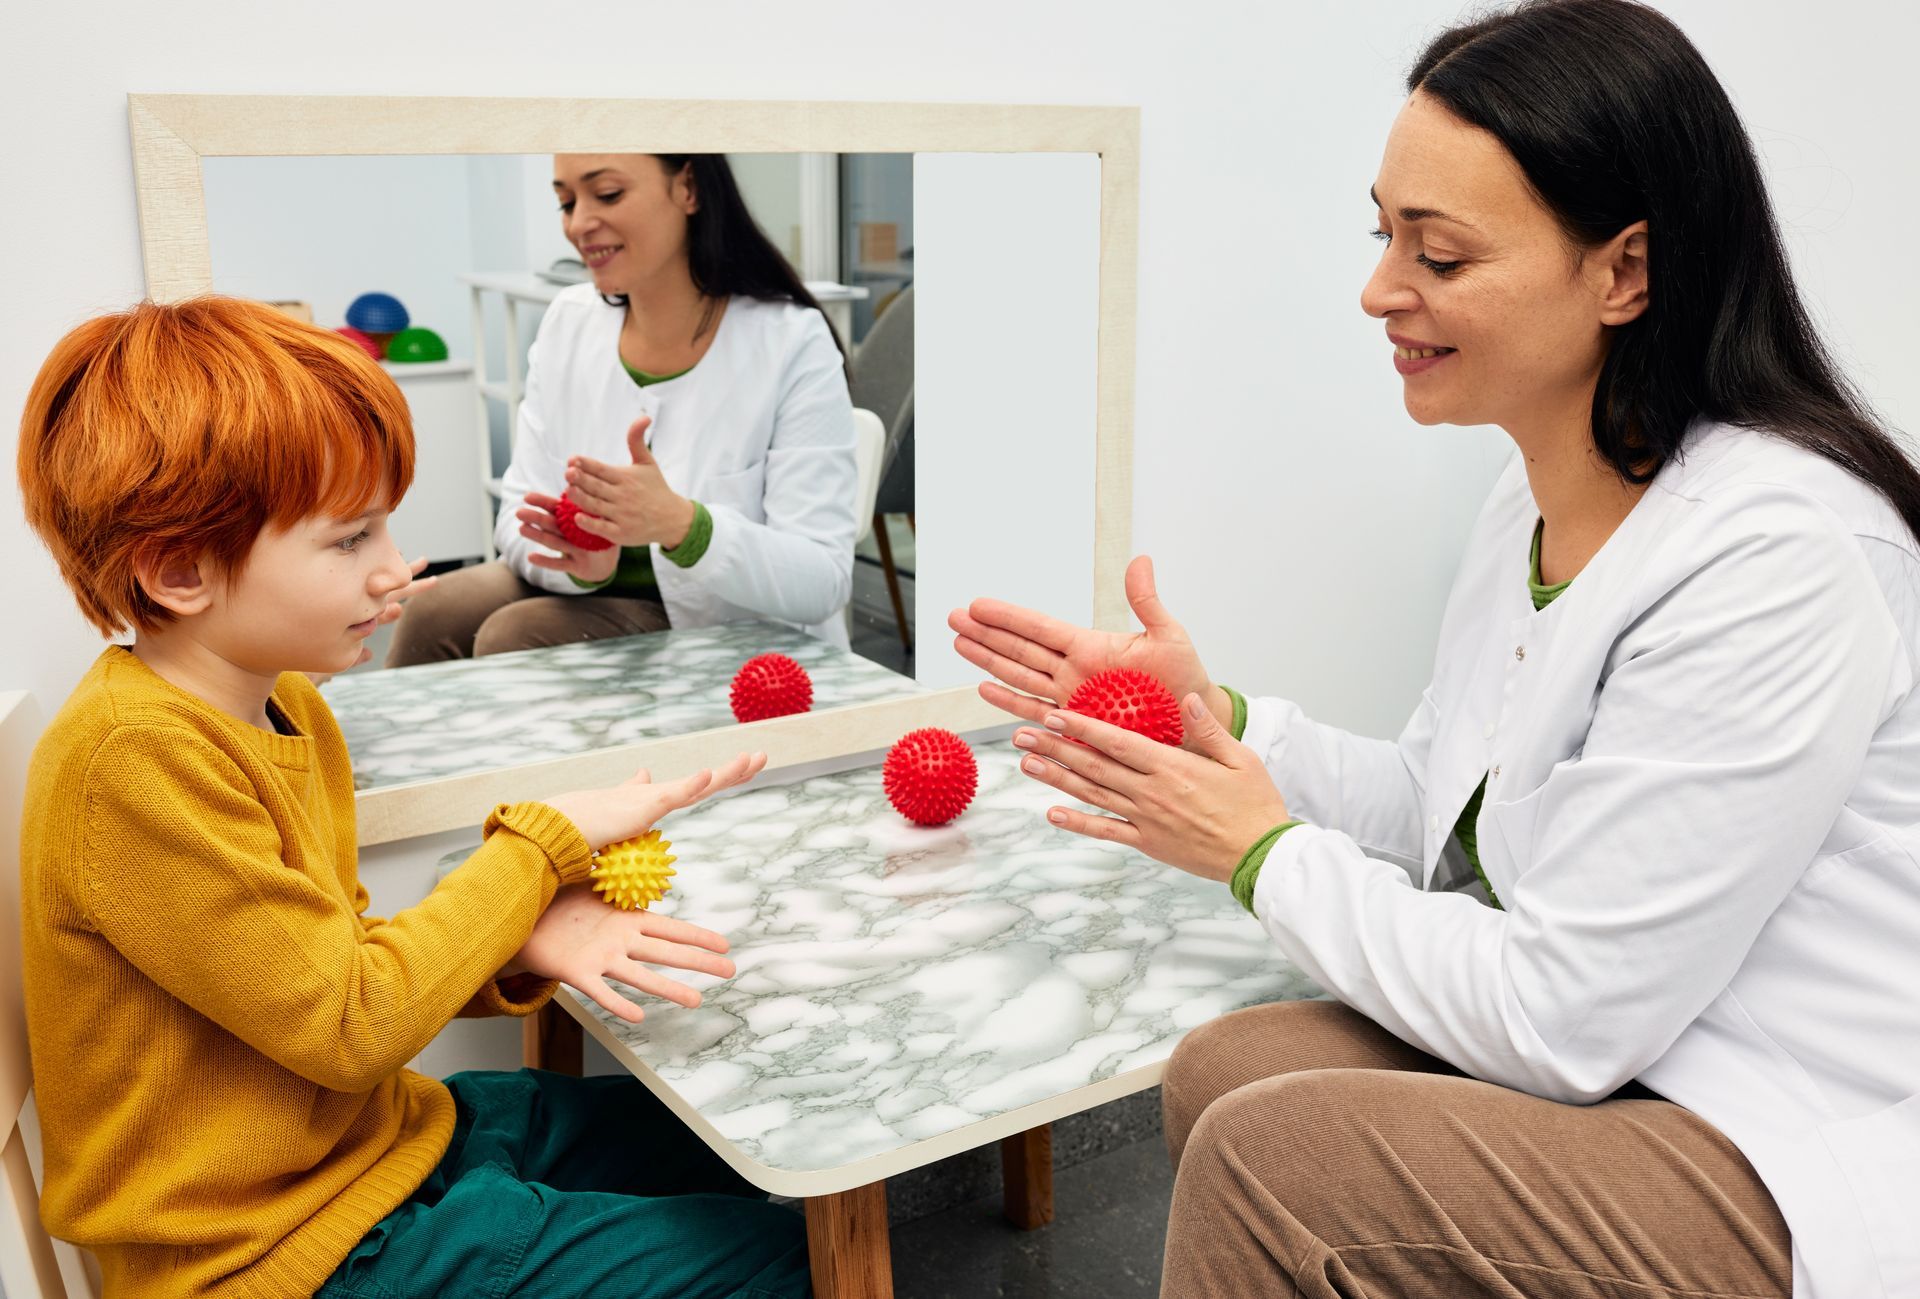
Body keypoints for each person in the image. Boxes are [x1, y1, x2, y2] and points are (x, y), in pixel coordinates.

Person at [951, 2, 1920, 1295]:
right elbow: (1434, 809)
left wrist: (1257, 852)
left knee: (1272, 1157)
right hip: (1652, 1045)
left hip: (1783, 1123)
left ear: (1623, 272)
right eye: (1383, 233)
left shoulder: (1778, 560)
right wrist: (1220, 721)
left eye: (1441, 255)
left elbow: (1561, 1015)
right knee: (1224, 1068)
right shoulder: (1533, 496)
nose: (1379, 289)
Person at [16, 296, 810, 1298]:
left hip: (367, 1149)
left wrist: (520, 941)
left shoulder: (285, 710)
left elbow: (322, 967)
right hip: (270, 1257)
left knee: (716, 1129)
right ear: (180, 570)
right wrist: (538, 851)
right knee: (781, 1267)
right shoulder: (132, 763)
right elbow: (350, 1023)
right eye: (350, 540)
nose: (398, 568)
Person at [388, 152, 859, 665]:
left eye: (608, 194)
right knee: (432, 609)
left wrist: (683, 525)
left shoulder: (790, 341)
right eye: (566, 202)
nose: (579, 223)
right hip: (587, 594)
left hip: (730, 628)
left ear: (689, 189)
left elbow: (823, 579)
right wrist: (580, 565)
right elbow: (517, 512)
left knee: (516, 633)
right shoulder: (569, 321)